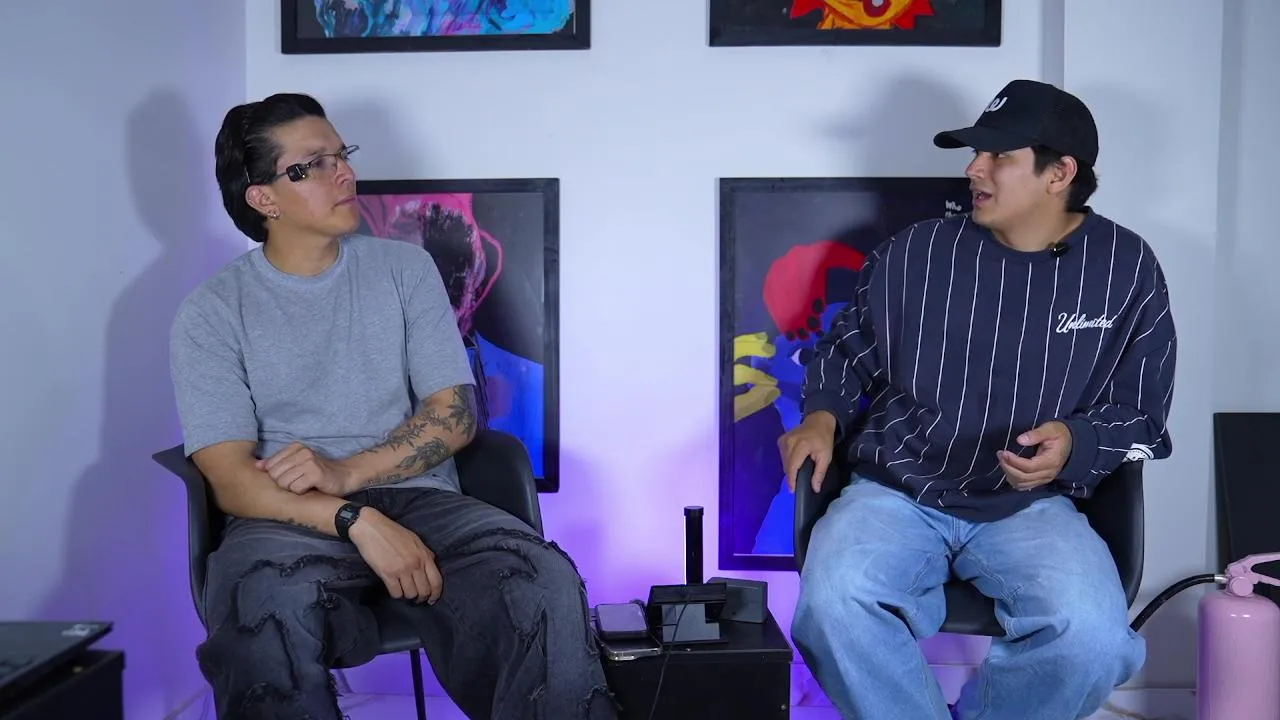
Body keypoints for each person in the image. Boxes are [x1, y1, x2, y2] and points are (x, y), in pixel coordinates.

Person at [169, 92, 616, 720]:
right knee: (260, 605)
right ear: (263, 198)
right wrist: (354, 518)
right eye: (313, 165)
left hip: (423, 499)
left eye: (342, 154)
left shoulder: (406, 270)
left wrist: (346, 473)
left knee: (543, 578)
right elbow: (232, 480)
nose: (344, 173)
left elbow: (455, 414)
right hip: (287, 515)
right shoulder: (211, 312)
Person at [782, 79, 1177, 720]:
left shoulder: (1126, 267)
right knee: (832, 606)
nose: (973, 169)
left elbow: (1144, 420)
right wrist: (822, 414)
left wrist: (1077, 443)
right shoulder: (915, 252)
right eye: (975, 153)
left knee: (1095, 641)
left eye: (998, 155)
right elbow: (848, 350)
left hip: (1032, 506)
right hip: (897, 488)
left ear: (1060, 174)